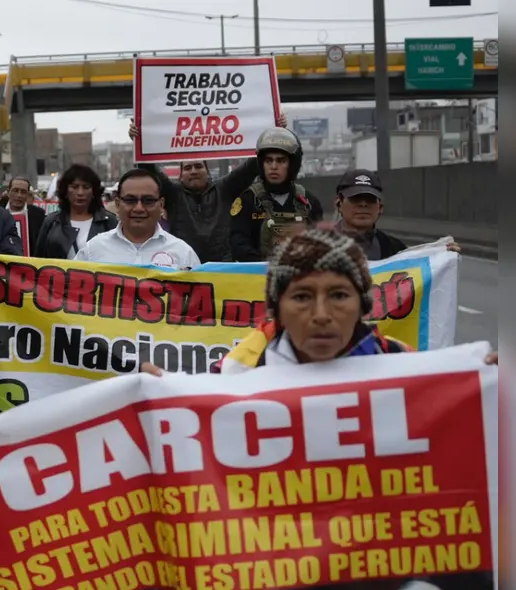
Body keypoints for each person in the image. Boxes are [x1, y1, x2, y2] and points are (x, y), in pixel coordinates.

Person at [140, 228, 496, 590]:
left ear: (362, 303)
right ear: (278, 308)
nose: (321, 314)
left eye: (339, 295)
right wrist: (152, 399)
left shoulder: (407, 371)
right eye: (302, 296)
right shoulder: (234, 379)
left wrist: (487, 394)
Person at [128, 114, 289, 262]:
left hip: (222, 270)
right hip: (185, 267)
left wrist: (275, 136)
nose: (194, 171)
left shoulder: (225, 188)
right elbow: (149, 168)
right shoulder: (173, 194)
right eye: (188, 168)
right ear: (181, 176)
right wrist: (139, 139)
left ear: (208, 172)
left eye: (198, 166)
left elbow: (253, 165)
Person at [75, 168, 201, 270]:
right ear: (118, 204)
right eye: (130, 200)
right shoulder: (92, 251)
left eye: (148, 200)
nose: (139, 208)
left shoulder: (184, 254)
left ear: (161, 205)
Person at [229, 127, 325, 262]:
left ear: (292, 164)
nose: (273, 166)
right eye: (268, 161)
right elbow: (239, 244)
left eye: (281, 161)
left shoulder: (309, 202)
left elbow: (322, 244)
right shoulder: (248, 200)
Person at [34, 164, 118, 260]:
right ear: (65, 191)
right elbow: (39, 261)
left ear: (94, 192)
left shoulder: (108, 222)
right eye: (74, 187)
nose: (80, 193)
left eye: (86, 187)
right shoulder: (52, 222)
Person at [4, 176, 46, 255]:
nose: (19, 195)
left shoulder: (38, 215)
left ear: (27, 194)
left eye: (23, 192)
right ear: (8, 192)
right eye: (15, 191)